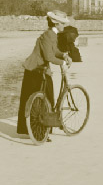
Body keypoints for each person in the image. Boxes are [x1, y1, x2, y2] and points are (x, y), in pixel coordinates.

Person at [17, 10, 72, 141]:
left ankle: (38, 131)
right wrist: (63, 62)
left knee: (43, 100)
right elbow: (48, 56)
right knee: (42, 102)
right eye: (62, 24)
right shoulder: (49, 35)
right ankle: (38, 133)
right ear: (56, 23)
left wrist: (63, 54)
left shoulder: (52, 34)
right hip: (35, 70)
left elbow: (54, 51)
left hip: (40, 69)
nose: (63, 26)